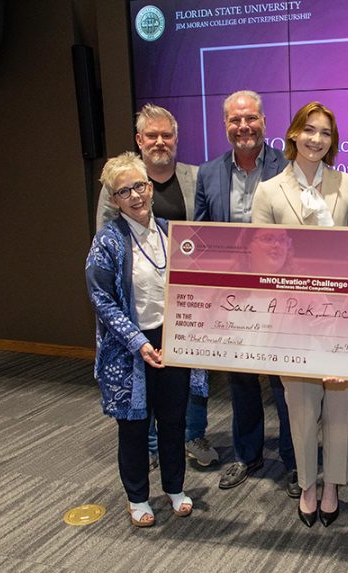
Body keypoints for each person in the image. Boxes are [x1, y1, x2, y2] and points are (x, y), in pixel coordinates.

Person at [252, 101, 348, 527]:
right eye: (310, 130)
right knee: (300, 409)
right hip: (289, 319)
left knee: (338, 407)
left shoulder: (347, 186)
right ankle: (308, 484)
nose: (317, 139)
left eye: (326, 132)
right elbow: (261, 256)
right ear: (294, 134)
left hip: (337, 316)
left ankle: (333, 483)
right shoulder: (268, 190)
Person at [95, 104, 216, 470]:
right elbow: (103, 241)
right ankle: (149, 448)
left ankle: (192, 437)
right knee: (142, 379)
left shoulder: (196, 177)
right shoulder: (118, 184)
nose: (159, 142)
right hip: (138, 306)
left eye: (166, 135)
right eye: (152, 135)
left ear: (176, 139)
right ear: (139, 140)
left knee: (189, 379)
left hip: (187, 305)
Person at [86, 151, 199, 527]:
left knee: (173, 420)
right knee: (134, 426)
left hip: (172, 342)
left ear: (150, 187)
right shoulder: (107, 242)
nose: (135, 196)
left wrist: (181, 336)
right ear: (114, 200)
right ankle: (137, 497)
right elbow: (102, 300)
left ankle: (175, 488)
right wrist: (138, 342)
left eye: (139, 186)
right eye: (123, 192)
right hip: (129, 348)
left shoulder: (173, 232)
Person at [194, 90, 298, 496]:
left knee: (285, 382)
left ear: (264, 122)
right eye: (235, 121)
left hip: (280, 291)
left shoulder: (288, 168)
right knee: (241, 380)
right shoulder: (208, 174)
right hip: (235, 298)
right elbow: (201, 238)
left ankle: (295, 461)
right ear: (225, 126)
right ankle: (248, 454)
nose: (243, 127)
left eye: (250, 119)